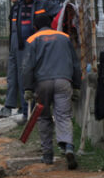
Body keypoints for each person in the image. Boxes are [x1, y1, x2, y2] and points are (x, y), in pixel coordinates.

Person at [22, 13, 81, 168]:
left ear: (35, 27)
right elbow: (75, 63)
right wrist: (77, 86)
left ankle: (47, 155)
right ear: (52, 25)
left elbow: (27, 67)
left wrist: (28, 88)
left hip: (43, 83)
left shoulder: (32, 39)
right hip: (63, 81)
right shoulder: (64, 37)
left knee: (44, 118)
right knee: (63, 116)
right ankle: (68, 146)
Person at [0, 0, 61, 123]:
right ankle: (10, 107)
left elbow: (60, 15)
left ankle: (27, 113)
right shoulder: (17, 5)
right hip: (16, 46)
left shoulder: (44, 2)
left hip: (32, 46)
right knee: (13, 77)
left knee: (26, 77)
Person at [0, 0, 22, 121]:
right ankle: (8, 107)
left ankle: (24, 108)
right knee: (11, 76)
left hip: (23, 47)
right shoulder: (15, 8)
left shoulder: (28, 6)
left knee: (23, 77)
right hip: (13, 46)